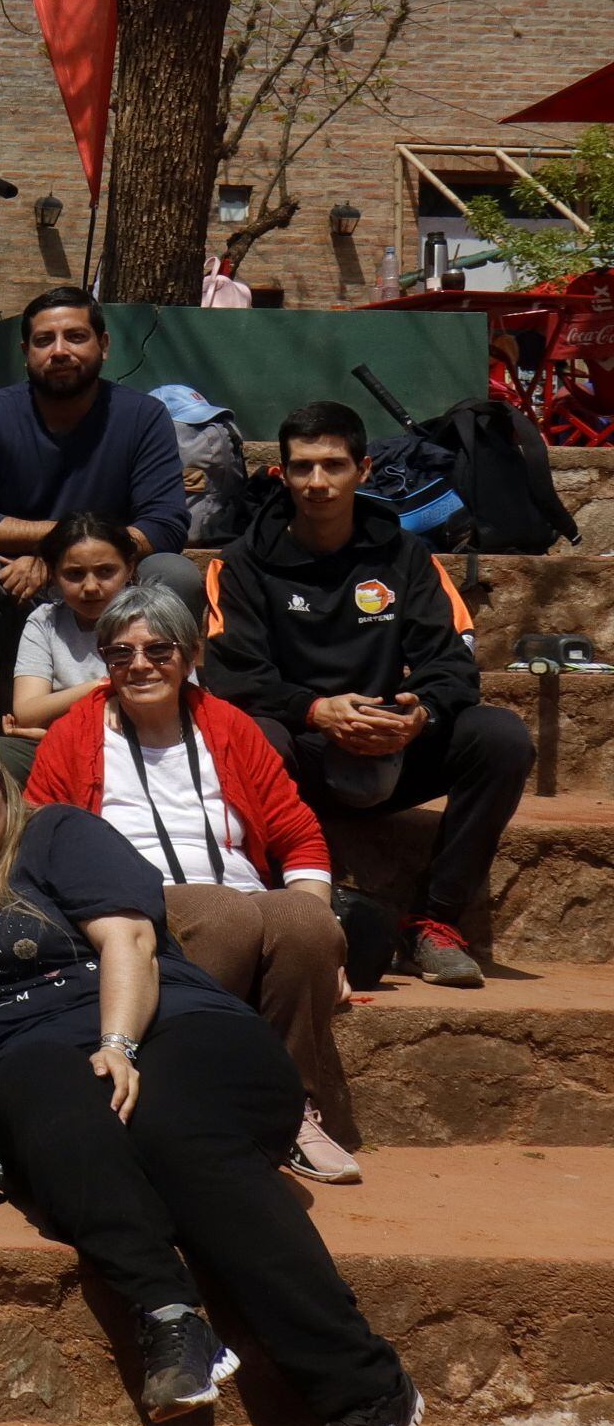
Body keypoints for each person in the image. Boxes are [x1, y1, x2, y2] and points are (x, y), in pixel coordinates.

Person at [0, 728, 421, 1426]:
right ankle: (171, 1314)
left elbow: (130, 938)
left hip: (175, 1029)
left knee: (175, 1134)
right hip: (42, 1057)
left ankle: (366, 1389)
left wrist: (117, 1042)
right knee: (40, 1091)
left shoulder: (60, 834)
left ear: (4, 788)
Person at [27, 585, 360, 1183]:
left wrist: (325, 939)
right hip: (137, 906)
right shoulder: (73, 736)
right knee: (222, 912)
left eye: (159, 650)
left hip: (243, 896)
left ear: (190, 655)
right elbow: (41, 834)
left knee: (306, 919)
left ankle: (291, 1109)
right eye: (120, 653)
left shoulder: (230, 728)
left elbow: (299, 835)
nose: (140, 665)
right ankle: (197, 1093)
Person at [202, 399, 533, 990]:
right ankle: (282, 911)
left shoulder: (406, 556)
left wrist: (419, 714)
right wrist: (314, 709)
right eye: (302, 467)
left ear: (365, 469)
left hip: (389, 743)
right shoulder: (242, 562)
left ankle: (433, 923)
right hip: (297, 756)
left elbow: (452, 664)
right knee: (249, 734)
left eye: (333, 465)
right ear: (282, 473)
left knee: (500, 736)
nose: (317, 482)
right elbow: (232, 677)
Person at [0, 287, 204, 726]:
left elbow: (166, 523)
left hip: (109, 577)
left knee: (175, 572)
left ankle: (166, 721)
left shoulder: (143, 416)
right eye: (45, 340)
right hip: (13, 579)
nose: (59, 351)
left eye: (76, 337)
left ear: (104, 344)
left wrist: (61, 556)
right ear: (26, 352)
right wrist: (61, 550)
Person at [1, 512, 134, 779]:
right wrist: (104, 687)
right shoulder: (45, 621)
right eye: (74, 574)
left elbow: (176, 709)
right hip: (60, 747)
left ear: (129, 568)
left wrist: (56, 727)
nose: (91, 587)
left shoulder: (151, 618)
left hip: (138, 746)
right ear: (53, 575)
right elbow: (27, 711)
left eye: (105, 571)